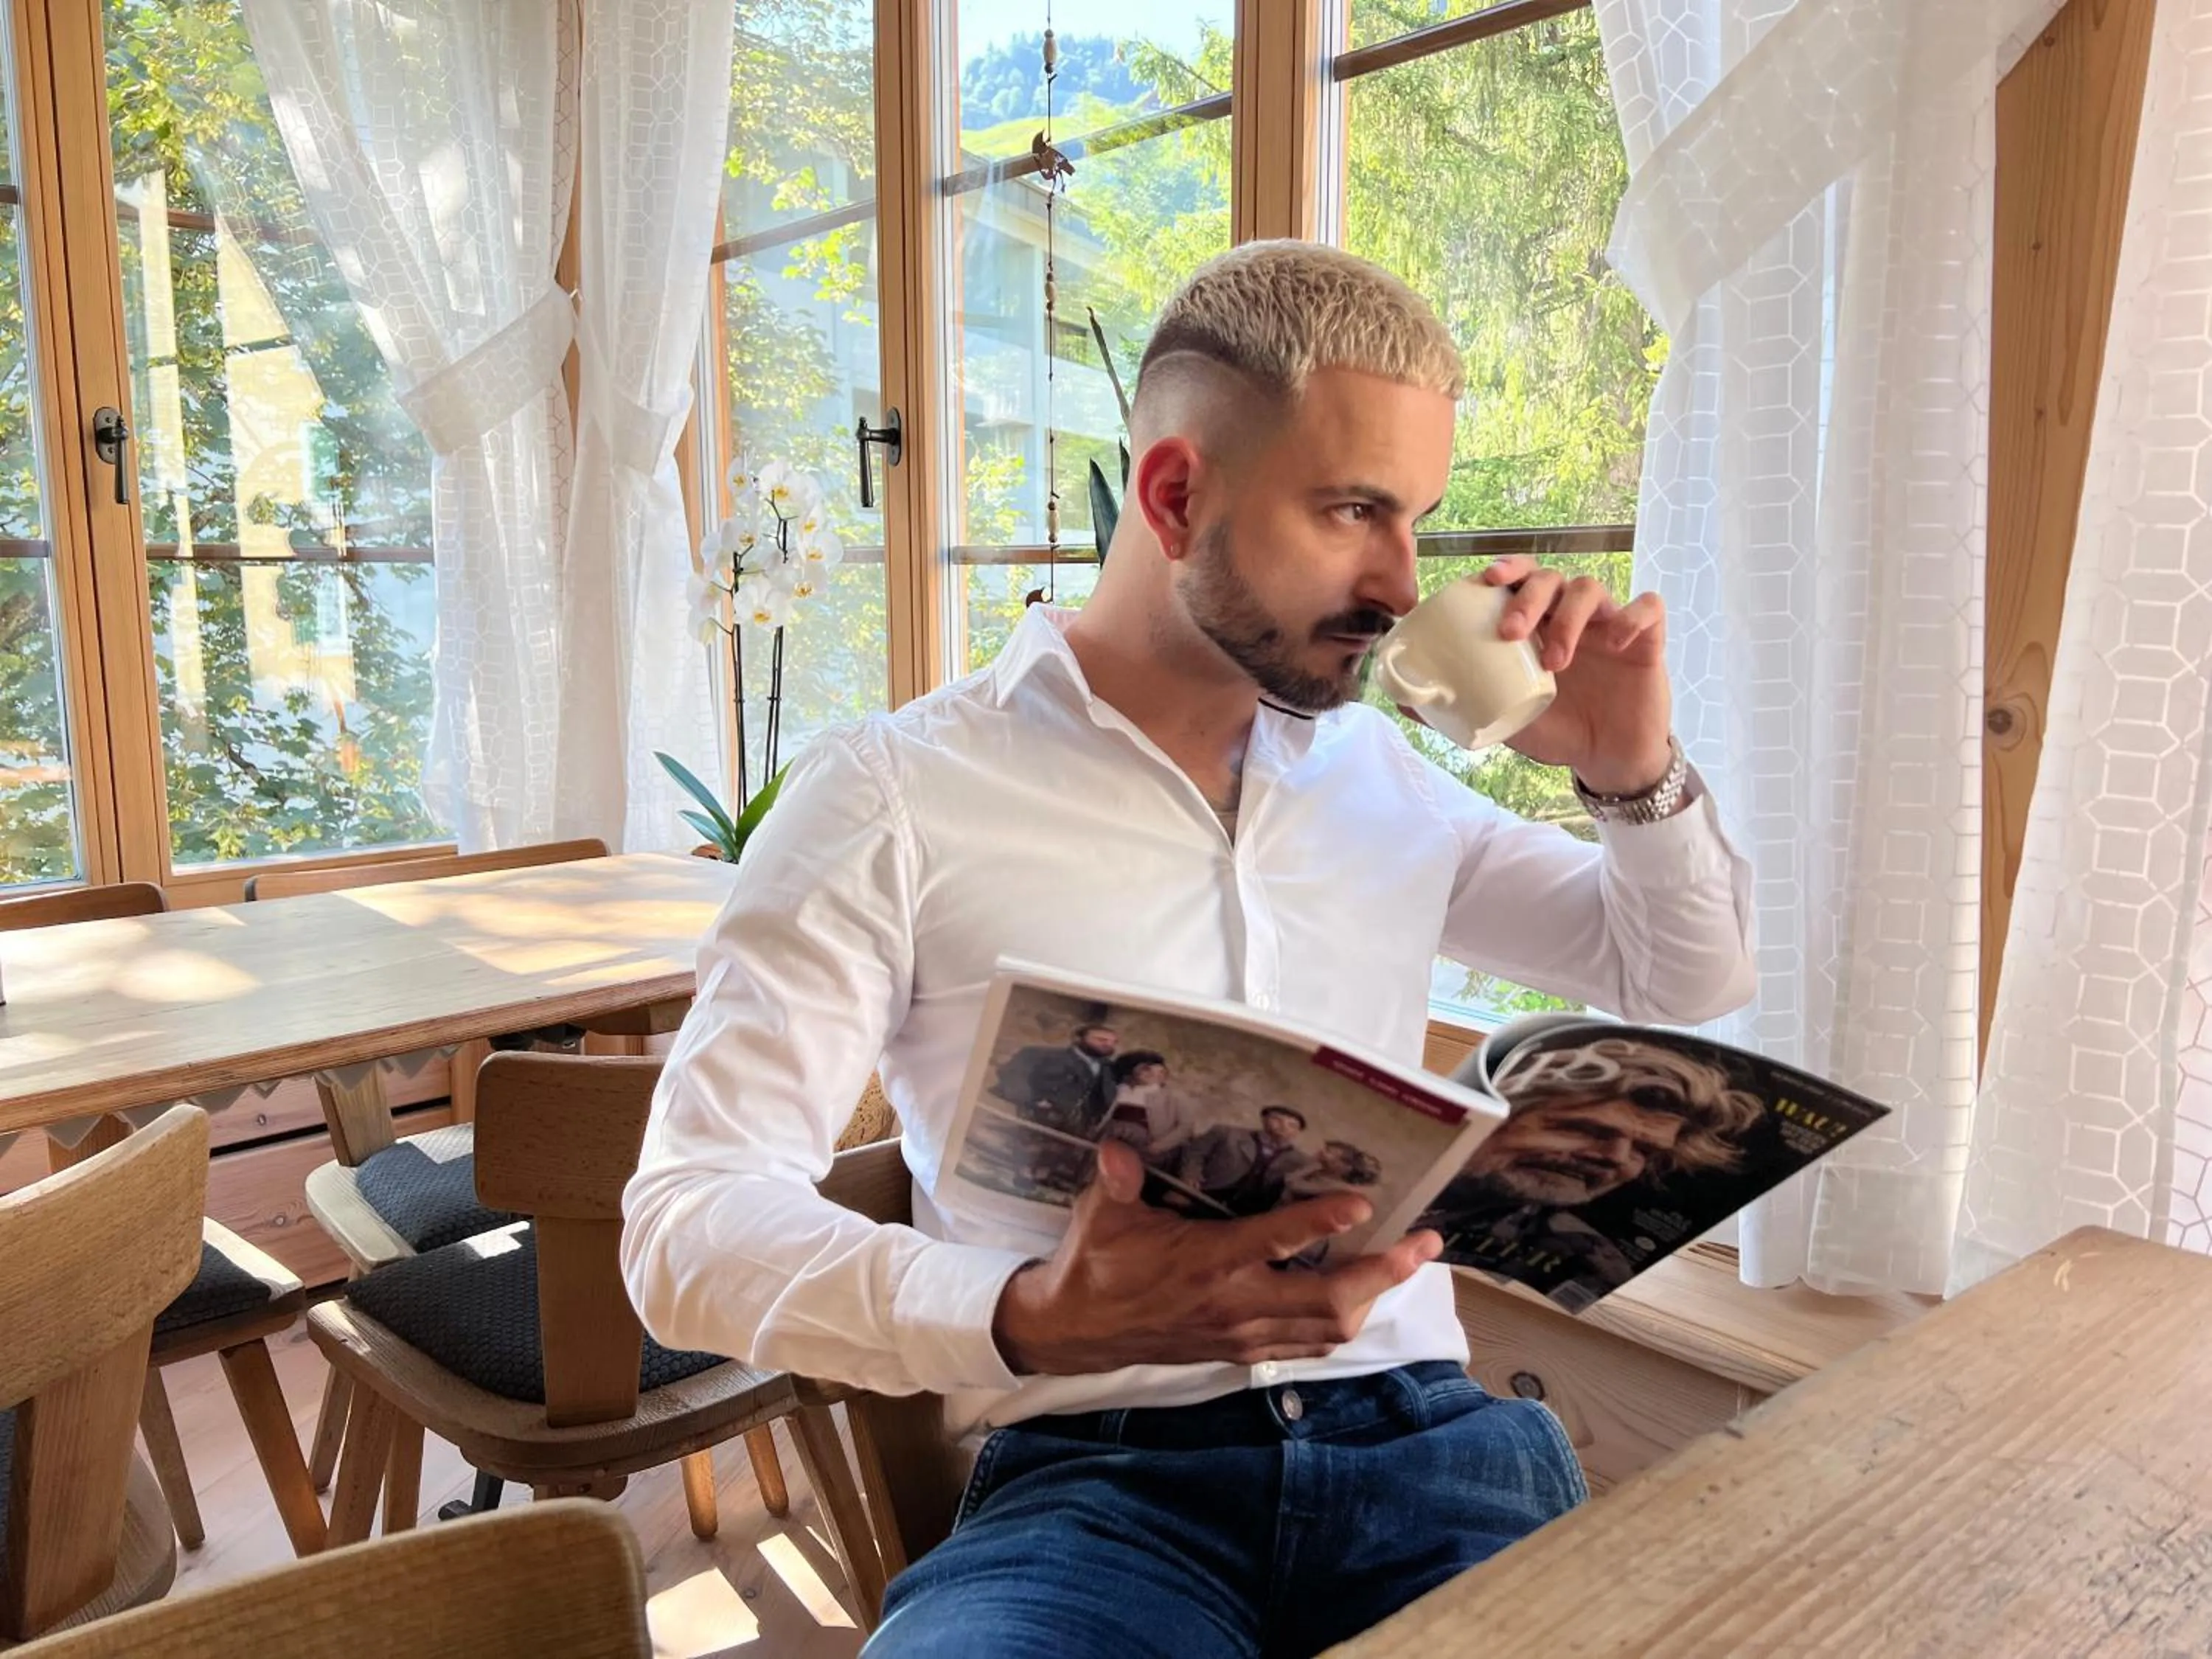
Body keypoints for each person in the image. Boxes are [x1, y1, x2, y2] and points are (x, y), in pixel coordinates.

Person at [622, 240, 1755, 1658]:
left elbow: (1680, 974)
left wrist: (1628, 771)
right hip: (1096, 1492)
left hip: (1436, 1454)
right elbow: (684, 1230)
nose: (1404, 583)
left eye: (1420, 520)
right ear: (1174, 493)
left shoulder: (1384, 779)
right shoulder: (891, 796)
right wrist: (1025, 1315)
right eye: (1355, 512)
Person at [1419, 1039, 1764, 1308]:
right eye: (1586, 1130)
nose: (1615, 1159)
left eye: (1644, 1151)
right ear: (1492, 1114)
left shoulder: (1581, 1255)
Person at [1174, 1105, 1315, 1217]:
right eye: (1277, 1120)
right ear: (1264, 1119)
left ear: (1297, 1132)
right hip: (1206, 1195)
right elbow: (1195, 1153)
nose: (1284, 1127)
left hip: (1249, 1217)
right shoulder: (1227, 1133)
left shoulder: (1301, 1162)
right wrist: (1190, 1176)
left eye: (1292, 1125)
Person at [991, 1022, 1119, 1138]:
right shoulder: (1040, 1054)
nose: (1108, 1045)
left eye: (1113, 1042)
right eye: (1101, 1039)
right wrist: (1035, 1102)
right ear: (1078, 1039)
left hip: (1076, 1134)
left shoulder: (1109, 1070)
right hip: (1030, 1123)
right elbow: (1013, 1075)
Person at [1098, 1051, 1192, 1162]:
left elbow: (1185, 1127)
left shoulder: (1173, 1097)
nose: (1154, 1073)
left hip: (1149, 1146)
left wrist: (1157, 1147)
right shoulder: (1120, 1091)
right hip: (1111, 1141)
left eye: (1161, 1070)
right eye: (1146, 1069)